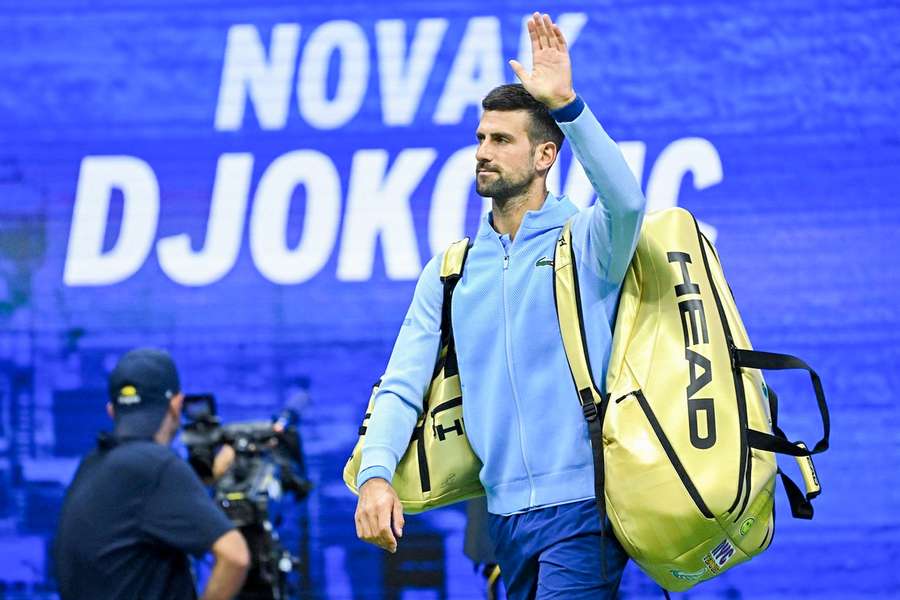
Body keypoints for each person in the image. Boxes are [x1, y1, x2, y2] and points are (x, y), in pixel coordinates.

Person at [353, 12, 647, 599]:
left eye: (502, 140)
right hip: (502, 517)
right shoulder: (451, 270)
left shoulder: (586, 241)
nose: (483, 152)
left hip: (583, 507)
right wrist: (375, 475)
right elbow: (401, 385)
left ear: (545, 156)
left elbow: (628, 201)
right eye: (481, 138)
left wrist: (568, 106)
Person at [54, 348, 250, 600]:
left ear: (112, 411)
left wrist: (202, 482)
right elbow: (235, 557)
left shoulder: (93, 463)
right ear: (176, 405)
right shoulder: (159, 466)